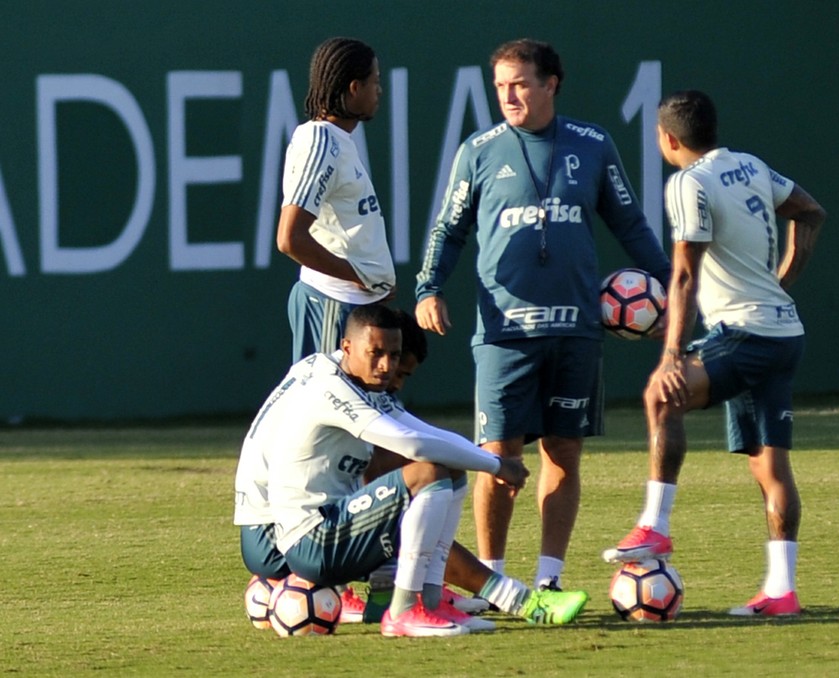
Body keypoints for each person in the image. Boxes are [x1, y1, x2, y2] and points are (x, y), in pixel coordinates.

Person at [414, 38, 671, 591]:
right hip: (504, 333)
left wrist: (670, 291)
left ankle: (549, 579)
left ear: (551, 84)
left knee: (564, 452)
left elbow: (630, 224)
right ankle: (494, 582)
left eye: (520, 84)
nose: (508, 96)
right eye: (500, 86)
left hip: (576, 330)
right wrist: (428, 288)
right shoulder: (478, 151)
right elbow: (448, 229)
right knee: (497, 459)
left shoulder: (592, 144)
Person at [602, 90, 827, 617]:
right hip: (783, 334)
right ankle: (781, 591)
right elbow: (811, 211)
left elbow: (683, 274)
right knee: (770, 466)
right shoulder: (749, 165)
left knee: (662, 395)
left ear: (668, 138)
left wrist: (672, 354)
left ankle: (655, 526)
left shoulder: (688, 183)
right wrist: (782, 281)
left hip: (746, 333)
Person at [234, 305, 587, 638]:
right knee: (425, 475)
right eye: (376, 354)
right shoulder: (332, 389)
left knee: (447, 469)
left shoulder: (345, 376)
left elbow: (426, 433)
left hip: (306, 525)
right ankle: (406, 608)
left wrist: (485, 460)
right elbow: (412, 444)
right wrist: (495, 464)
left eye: (394, 356)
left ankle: (428, 601)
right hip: (299, 539)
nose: (387, 367)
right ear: (348, 346)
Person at [276, 37, 395, 363]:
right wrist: (360, 276)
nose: (379, 90)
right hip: (332, 303)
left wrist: (377, 279)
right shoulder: (320, 142)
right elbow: (290, 238)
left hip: (354, 305)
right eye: (375, 81)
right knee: (328, 397)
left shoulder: (338, 140)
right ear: (355, 88)